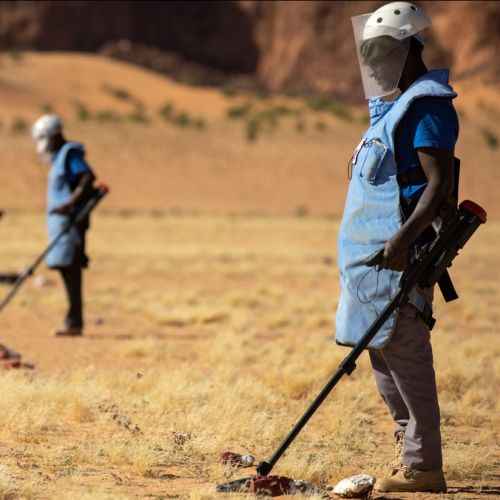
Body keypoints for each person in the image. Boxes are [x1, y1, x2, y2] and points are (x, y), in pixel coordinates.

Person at [336, 2, 459, 493]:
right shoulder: (392, 109)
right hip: (374, 267)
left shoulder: (427, 106)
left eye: (383, 52)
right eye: (369, 53)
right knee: (385, 360)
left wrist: (400, 243)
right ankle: (408, 456)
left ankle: (425, 469)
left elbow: (438, 186)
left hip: (401, 260)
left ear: (409, 48)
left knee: (407, 358)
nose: (374, 64)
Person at [32, 115, 96, 337]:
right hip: (60, 223)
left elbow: (88, 178)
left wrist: (69, 204)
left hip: (69, 224)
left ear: (54, 135)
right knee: (65, 268)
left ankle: (74, 322)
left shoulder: (70, 154)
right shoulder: (59, 157)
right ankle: (73, 320)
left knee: (71, 270)